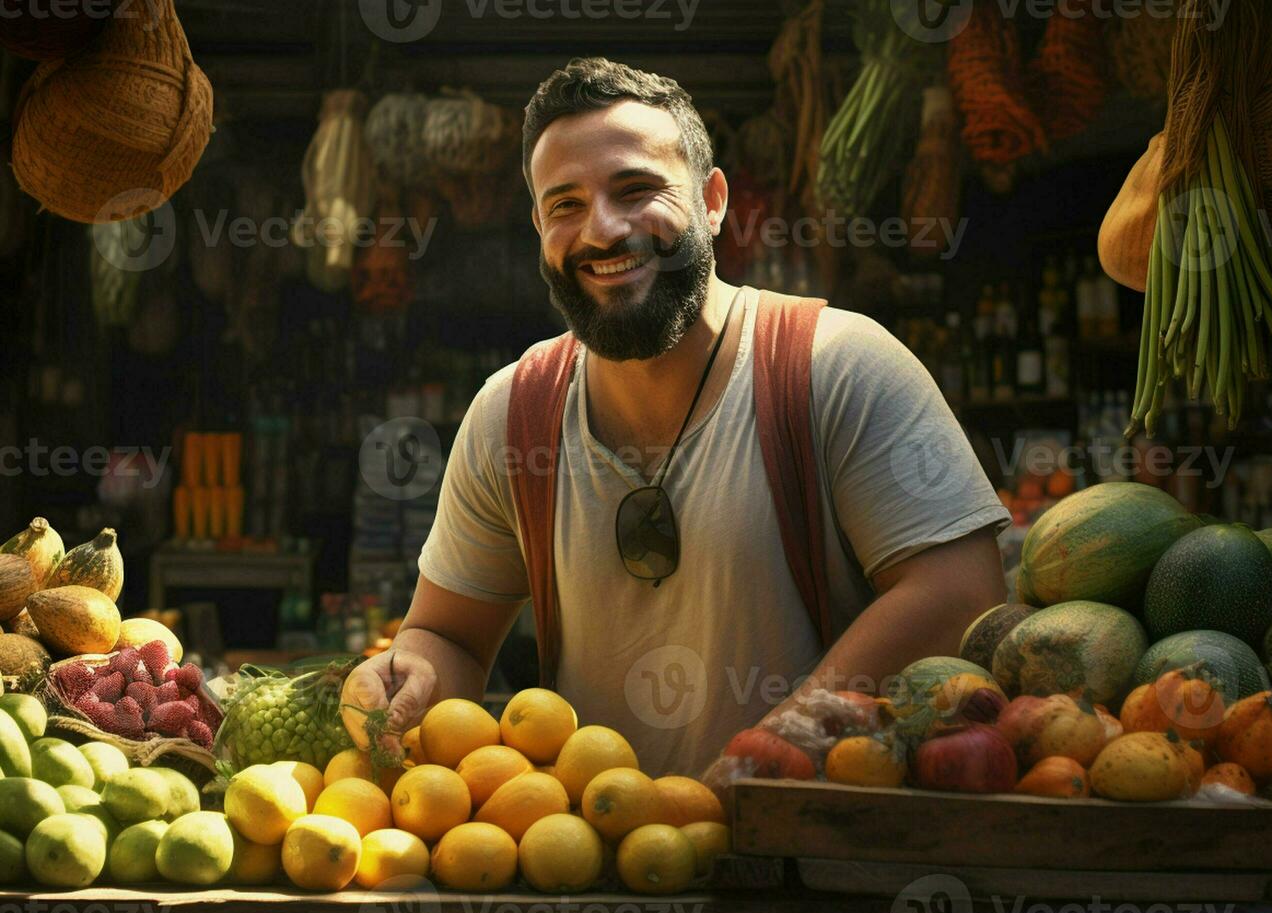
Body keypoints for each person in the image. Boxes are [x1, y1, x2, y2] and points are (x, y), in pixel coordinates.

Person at [341, 57, 1009, 777]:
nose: (602, 230)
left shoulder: (836, 365)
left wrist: (778, 749)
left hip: (815, 862)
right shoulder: (513, 414)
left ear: (713, 199)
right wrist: (406, 677)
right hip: (591, 861)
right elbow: (453, 639)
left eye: (636, 189)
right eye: (565, 205)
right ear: (539, 225)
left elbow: (960, 592)